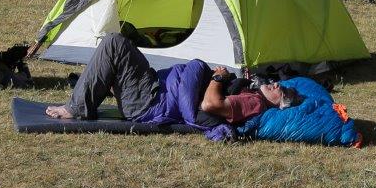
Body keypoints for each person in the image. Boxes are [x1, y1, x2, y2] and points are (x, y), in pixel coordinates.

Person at [43, 32, 299, 125]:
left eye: (282, 91)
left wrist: (218, 78)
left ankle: (76, 109)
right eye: (280, 84)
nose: (277, 84)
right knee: (122, 44)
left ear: (278, 103)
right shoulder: (251, 93)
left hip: (150, 101)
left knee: (114, 43)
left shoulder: (253, 104)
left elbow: (211, 105)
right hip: (157, 87)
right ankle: (89, 97)